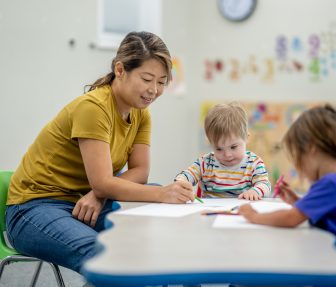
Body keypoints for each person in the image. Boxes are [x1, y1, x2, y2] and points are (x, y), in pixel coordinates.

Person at [5, 31, 194, 273]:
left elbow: (140, 171)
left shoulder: (141, 113)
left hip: (85, 200)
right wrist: (157, 193)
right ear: (120, 70)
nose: (154, 90)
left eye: (161, 81)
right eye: (147, 79)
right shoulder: (93, 108)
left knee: (159, 227)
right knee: (103, 254)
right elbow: (103, 182)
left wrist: (99, 193)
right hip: (34, 207)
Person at [239, 104, 336, 257]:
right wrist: (296, 202)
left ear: (312, 148)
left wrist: (253, 216)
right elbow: (329, 214)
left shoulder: (332, 183)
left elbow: (290, 219)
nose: (299, 167)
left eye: (298, 157)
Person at [175, 102, 271, 200]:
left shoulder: (254, 163)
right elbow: (187, 175)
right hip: (209, 211)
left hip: (241, 211)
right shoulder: (206, 163)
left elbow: (265, 185)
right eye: (219, 149)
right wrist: (181, 181)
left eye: (233, 147)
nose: (227, 155)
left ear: (246, 138)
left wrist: (255, 191)